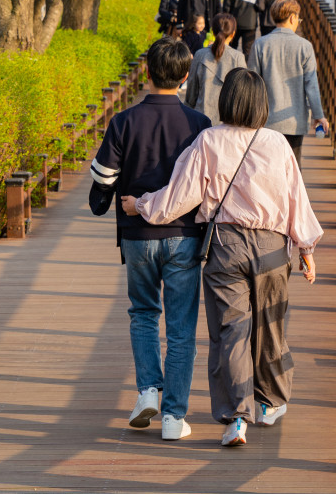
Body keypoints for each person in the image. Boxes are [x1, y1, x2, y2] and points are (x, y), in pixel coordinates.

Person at [122, 68, 323, 447]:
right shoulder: (277, 143)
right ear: (262, 103)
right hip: (272, 247)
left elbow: (179, 196)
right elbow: (296, 198)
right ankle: (270, 402)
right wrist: (307, 249)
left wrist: (141, 205)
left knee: (231, 332)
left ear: (227, 100)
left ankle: (236, 419)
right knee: (271, 326)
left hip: (226, 246)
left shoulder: (209, 140)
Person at [89, 37, 211, 441]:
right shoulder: (199, 125)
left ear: (147, 71)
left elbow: (103, 175)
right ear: (186, 76)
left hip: (137, 235)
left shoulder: (123, 121)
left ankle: (148, 391)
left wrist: (113, 197)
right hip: (185, 235)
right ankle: (174, 417)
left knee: (143, 313)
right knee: (181, 328)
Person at [247, 0, 329, 166]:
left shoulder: (260, 44)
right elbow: (311, 85)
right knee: (292, 167)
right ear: (292, 18)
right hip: (294, 121)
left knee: (267, 166)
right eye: (298, 19)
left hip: (266, 120)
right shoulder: (304, 46)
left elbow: (252, 84)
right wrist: (318, 116)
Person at [185, 13, 246, 124]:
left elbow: (191, 94)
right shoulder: (238, 58)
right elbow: (243, 95)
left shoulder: (200, 55)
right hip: (229, 123)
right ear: (233, 34)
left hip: (201, 119)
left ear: (212, 32)